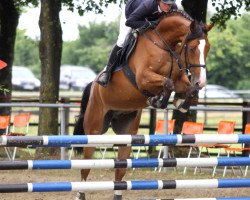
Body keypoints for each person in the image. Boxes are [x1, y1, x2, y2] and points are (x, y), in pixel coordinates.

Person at [97, 0, 177, 87]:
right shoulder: (148, 6)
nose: (168, 6)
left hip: (150, 18)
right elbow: (130, 22)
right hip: (131, 14)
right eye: (165, 4)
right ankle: (107, 72)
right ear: (158, 1)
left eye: (170, 4)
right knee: (122, 41)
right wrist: (149, 24)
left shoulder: (173, 8)